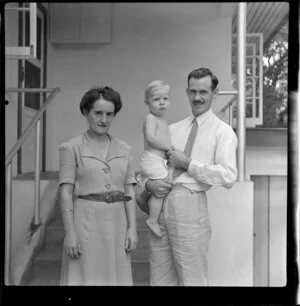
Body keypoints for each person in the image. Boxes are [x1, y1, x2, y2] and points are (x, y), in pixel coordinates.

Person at [139, 67, 238, 286]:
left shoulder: (222, 132)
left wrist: (189, 164)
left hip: (190, 204)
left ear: (215, 93)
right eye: (192, 91)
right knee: (159, 280)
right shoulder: (173, 128)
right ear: (186, 92)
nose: (197, 97)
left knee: (192, 280)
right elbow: (149, 164)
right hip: (161, 203)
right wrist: (148, 184)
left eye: (203, 92)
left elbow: (229, 175)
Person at [58, 86, 138, 286]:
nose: (104, 119)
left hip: (117, 223)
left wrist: (132, 228)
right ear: (86, 113)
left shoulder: (125, 149)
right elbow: (66, 192)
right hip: (85, 222)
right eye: (98, 113)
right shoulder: (71, 147)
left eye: (109, 114)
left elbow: (129, 191)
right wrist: (70, 233)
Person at [140, 80, 173, 238]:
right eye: (156, 99)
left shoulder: (163, 121)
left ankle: (149, 204)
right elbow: (151, 138)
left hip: (159, 160)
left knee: (163, 187)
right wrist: (168, 147)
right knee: (162, 187)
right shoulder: (150, 118)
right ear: (147, 102)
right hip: (152, 159)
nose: (161, 103)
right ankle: (152, 219)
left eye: (165, 99)